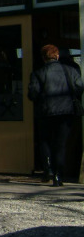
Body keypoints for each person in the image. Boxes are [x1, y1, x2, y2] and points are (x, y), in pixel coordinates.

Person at [27, 44, 84, 186]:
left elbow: (32, 94)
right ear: (57, 55)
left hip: (45, 112)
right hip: (65, 112)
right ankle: (58, 176)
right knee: (60, 144)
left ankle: (48, 170)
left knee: (45, 142)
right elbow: (79, 87)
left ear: (43, 58)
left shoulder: (38, 73)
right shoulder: (70, 70)